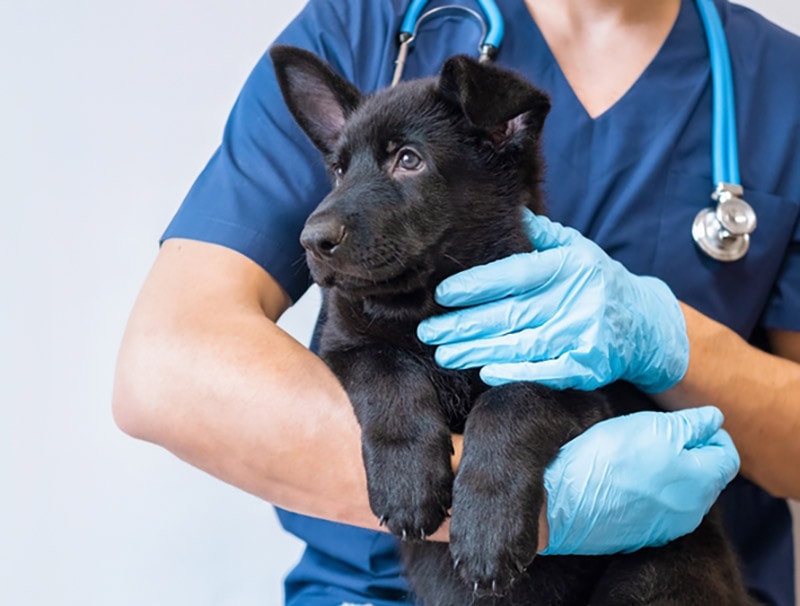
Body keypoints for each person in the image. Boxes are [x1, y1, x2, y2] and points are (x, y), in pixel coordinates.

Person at [112, 0, 800, 604]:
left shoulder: (779, 84)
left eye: (405, 161)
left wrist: (670, 338)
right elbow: (164, 367)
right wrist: (522, 502)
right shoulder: (367, 23)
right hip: (377, 590)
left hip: (659, 577)